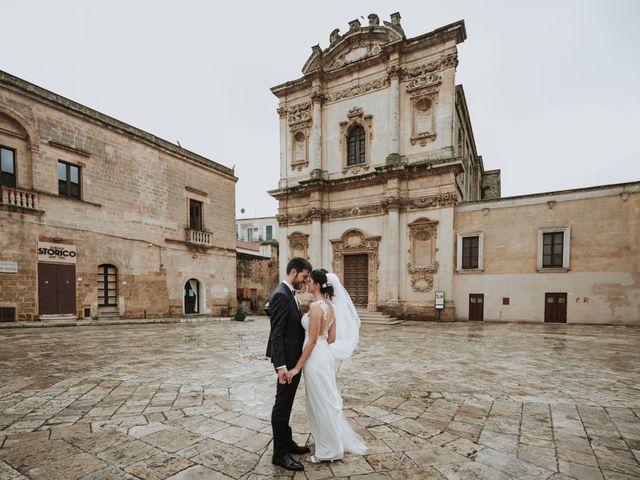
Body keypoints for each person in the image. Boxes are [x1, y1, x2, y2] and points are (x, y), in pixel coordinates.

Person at [286, 269, 367, 463]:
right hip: (324, 356)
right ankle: (331, 443)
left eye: (310, 281)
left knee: (320, 402)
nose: (307, 283)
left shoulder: (316, 307)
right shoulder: (330, 306)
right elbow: (330, 338)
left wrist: (296, 368)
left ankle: (328, 450)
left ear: (317, 285)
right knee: (326, 400)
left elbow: (312, 340)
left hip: (314, 358)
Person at [265, 257, 313, 471]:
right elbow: (276, 334)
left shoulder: (289, 295)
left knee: (287, 403)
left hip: (293, 359)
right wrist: (282, 367)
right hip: (286, 362)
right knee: (282, 406)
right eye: (303, 277)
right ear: (293, 272)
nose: (304, 281)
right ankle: (279, 454)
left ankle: (287, 442)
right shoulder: (280, 296)